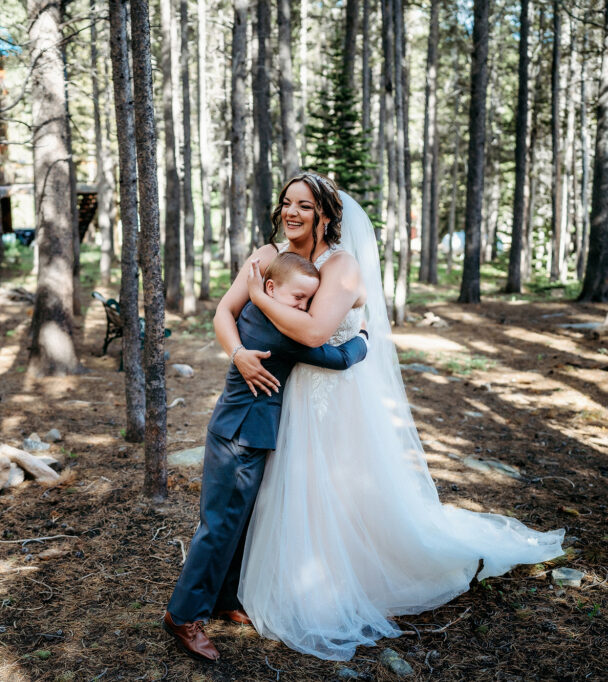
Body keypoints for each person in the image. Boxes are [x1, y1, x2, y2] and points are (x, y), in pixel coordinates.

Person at [213, 171, 564, 661]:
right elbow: (223, 313)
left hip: (329, 399)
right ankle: (256, 578)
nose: (292, 213)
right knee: (278, 485)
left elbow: (314, 334)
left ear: (327, 215)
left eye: (305, 206)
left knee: (327, 487)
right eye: (287, 203)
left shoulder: (342, 267)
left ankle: (327, 580)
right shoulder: (269, 257)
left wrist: (260, 297)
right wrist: (238, 354)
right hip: (282, 392)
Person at [164, 252, 371, 661]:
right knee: (219, 526)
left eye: (309, 302)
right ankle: (182, 616)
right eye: (298, 299)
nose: (303, 309)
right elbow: (340, 358)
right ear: (271, 289)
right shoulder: (278, 330)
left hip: (251, 432)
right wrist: (364, 335)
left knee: (239, 522)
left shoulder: (271, 312)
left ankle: (224, 599)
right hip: (238, 433)